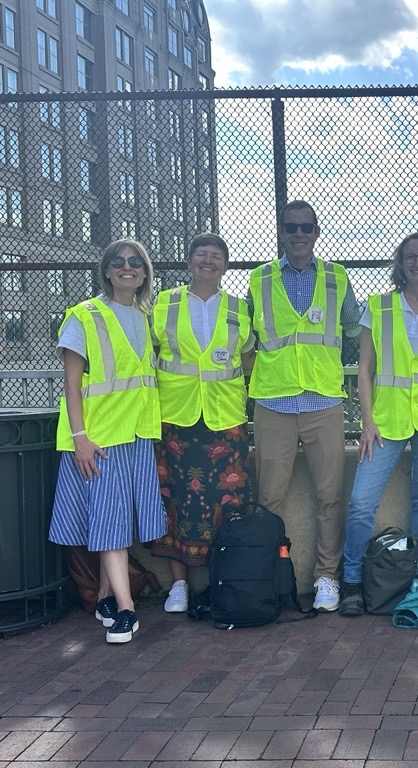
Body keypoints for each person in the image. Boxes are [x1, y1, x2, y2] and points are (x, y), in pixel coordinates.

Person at [339, 233, 418, 616]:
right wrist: (367, 421)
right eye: (411, 257)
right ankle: (353, 581)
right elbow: (365, 369)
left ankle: (417, 578)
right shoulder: (376, 307)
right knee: (361, 501)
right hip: (385, 421)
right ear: (400, 263)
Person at [248, 200, 361, 612]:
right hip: (274, 403)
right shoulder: (259, 279)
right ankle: (273, 578)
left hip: (323, 401)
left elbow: (354, 324)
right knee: (269, 498)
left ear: (317, 232)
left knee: (329, 496)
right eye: (291, 228)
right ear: (281, 231)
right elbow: (247, 336)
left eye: (306, 228)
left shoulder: (337, 277)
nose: (298, 235)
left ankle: (326, 577)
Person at [48, 239, 163, 644]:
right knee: (111, 524)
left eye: (135, 262)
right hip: (99, 438)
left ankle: (105, 597)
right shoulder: (84, 315)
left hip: (136, 434)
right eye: (119, 262)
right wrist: (80, 438)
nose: (127, 268)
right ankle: (127, 611)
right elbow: (71, 384)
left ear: (145, 271)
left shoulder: (147, 317)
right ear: (107, 270)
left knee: (110, 520)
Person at [150, 233, 256, 613]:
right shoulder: (164, 303)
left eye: (216, 256)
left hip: (224, 417)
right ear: (190, 261)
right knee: (173, 500)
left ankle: (221, 581)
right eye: (201, 255)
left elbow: (247, 360)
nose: (208, 262)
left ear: (225, 265)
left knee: (227, 503)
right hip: (174, 416)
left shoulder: (239, 308)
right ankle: (178, 586)